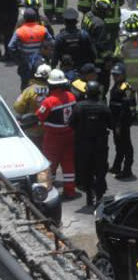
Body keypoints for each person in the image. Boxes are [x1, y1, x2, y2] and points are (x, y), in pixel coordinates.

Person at [36, 68, 78, 198]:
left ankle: (45, 190)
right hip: (70, 135)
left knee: (48, 163)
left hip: (53, 138)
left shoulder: (49, 101)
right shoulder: (71, 96)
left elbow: (39, 116)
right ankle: (70, 191)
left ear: (51, 84)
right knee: (69, 164)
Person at [69, 80, 111, 207]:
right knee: (100, 170)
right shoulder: (104, 107)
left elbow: (71, 124)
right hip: (100, 146)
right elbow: (111, 124)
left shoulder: (79, 107)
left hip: (83, 146)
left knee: (86, 170)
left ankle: (89, 196)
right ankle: (99, 196)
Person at [115, 15, 138, 120]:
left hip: (128, 80)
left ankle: (132, 115)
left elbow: (116, 58)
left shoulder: (122, 45)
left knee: (130, 99)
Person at [108, 62, 136, 180]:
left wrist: (119, 125)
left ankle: (127, 170)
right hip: (116, 122)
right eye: (113, 75)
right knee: (118, 145)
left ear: (123, 75)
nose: (115, 77)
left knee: (126, 146)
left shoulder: (126, 87)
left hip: (123, 122)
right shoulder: (116, 85)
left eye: (117, 75)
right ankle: (116, 166)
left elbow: (125, 109)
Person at [10, 8, 51, 88]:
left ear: (24, 19)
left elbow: (11, 46)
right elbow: (51, 42)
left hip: (25, 62)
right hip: (40, 62)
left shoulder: (19, 31)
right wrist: (46, 56)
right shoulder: (43, 29)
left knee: (25, 83)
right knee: (41, 82)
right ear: (35, 18)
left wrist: (18, 59)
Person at [13, 64, 51, 145]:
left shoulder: (29, 90)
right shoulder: (54, 91)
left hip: (32, 129)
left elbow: (17, 107)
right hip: (49, 130)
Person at [84, 0, 117, 70]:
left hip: (86, 53)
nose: (108, 13)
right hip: (98, 60)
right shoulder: (100, 24)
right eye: (106, 11)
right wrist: (108, 59)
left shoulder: (87, 14)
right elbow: (102, 45)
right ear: (101, 11)